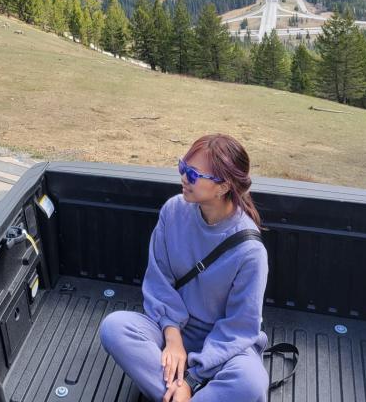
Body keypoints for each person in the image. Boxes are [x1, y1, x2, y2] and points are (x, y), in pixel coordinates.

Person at [99, 134, 269, 402]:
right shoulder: (173, 211)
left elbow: (239, 328)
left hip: (225, 345)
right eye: (183, 167)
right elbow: (159, 281)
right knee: (115, 327)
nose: (183, 177)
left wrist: (191, 378)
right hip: (175, 329)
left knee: (251, 383)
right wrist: (173, 339)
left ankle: (179, 391)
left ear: (223, 187)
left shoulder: (250, 251)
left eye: (192, 173)